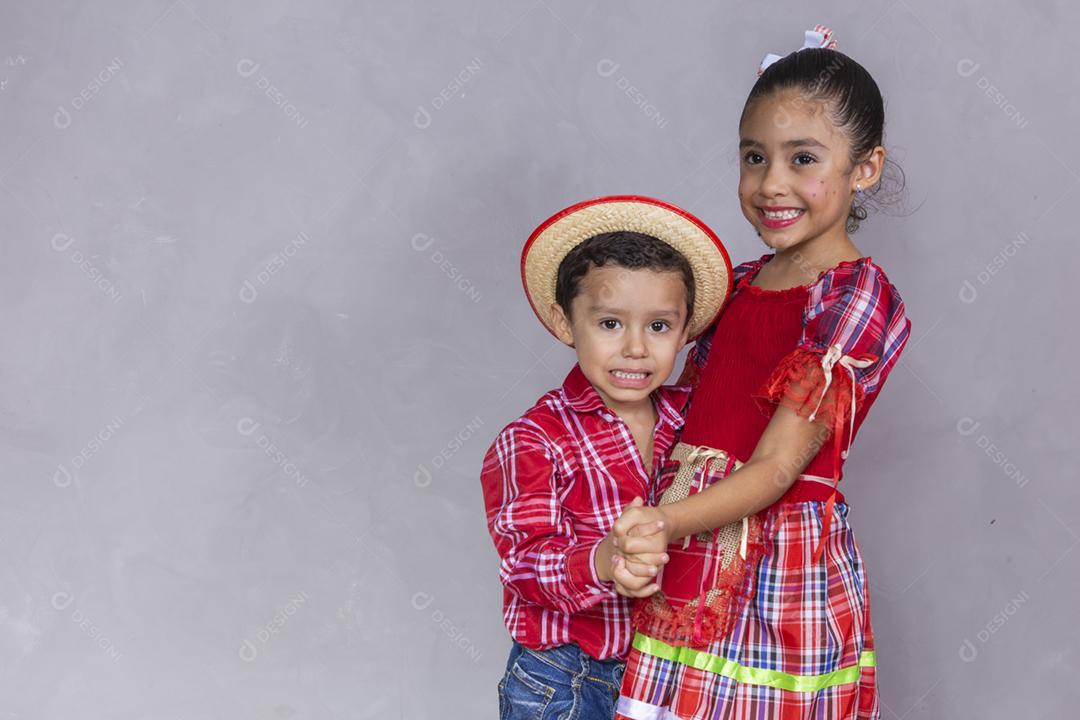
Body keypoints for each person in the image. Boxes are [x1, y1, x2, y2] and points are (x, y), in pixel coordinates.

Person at [610, 26, 912, 719]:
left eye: (802, 158)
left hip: (779, 562)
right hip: (686, 548)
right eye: (754, 157)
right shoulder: (731, 285)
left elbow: (777, 469)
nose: (771, 184)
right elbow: (673, 406)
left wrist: (662, 521)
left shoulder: (852, 297)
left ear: (864, 167)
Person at [480, 195, 734, 719]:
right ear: (564, 322)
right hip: (563, 675)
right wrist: (604, 560)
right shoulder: (533, 440)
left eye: (659, 326)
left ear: (686, 331)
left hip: (660, 671)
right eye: (611, 324)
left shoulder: (694, 421)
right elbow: (526, 566)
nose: (636, 348)